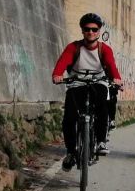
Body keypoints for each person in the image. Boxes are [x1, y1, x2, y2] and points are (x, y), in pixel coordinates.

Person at [52, 13, 122, 170]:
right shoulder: (73, 47)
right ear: (82, 31)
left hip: (98, 82)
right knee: (69, 117)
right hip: (77, 83)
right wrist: (57, 74)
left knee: (102, 107)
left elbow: (111, 66)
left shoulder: (105, 49)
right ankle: (70, 152)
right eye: (87, 29)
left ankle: (101, 142)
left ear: (98, 32)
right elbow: (63, 62)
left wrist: (117, 79)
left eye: (94, 29)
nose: (91, 32)